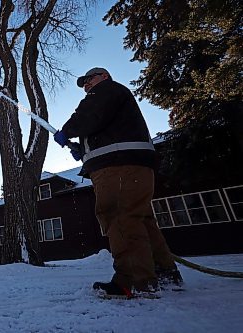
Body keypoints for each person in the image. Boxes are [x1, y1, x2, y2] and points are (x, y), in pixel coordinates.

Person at [54, 67, 183, 298]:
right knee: (139, 219)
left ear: (104, 76)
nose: (86, 86)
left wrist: (67, 130)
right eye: (84, 84)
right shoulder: (115, 99)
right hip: (133, 166)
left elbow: (89, 117)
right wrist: (82, 150)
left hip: (119, 167)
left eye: (89, 79)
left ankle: (133, 280)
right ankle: (163, 273)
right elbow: (101, 127)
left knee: (118, 216)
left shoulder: (106, 90)